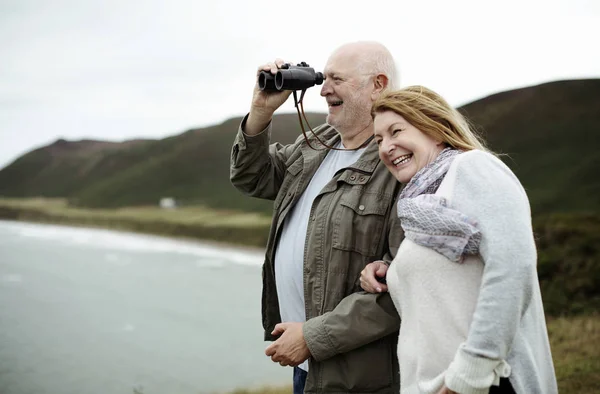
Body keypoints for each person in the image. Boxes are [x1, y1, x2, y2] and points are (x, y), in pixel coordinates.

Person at [230, 41, 403, 393]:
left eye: (337, 80)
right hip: (309, 367)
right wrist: (261, 111)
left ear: (378, 85)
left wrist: (312, 336)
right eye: (324, 78)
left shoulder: (399, 162)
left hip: (360, 377)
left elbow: (403, 285)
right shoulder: (318, 142)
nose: (323, 89)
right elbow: (252, 176)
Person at [360, 86, 558, 394]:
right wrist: (392, 271)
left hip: (483, 382)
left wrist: (472, 371)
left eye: (396, 131)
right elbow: (451, 275)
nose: (386, 147)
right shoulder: (419, 207)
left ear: (434, 130)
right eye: (379, 140)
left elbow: (512, 262)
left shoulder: (472, 167)